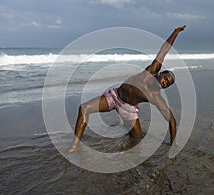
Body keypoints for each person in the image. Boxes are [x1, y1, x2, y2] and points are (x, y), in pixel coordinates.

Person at [68, 25, 186, 153]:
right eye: (165, 78)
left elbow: (171, 120)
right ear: (159, 73)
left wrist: (173, 145)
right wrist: (175, 32)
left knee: (136, 140)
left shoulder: (155, 96)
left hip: (128, 109)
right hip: (114, 96)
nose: (165, 82)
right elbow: (164, 50)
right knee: (84, 108)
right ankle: (75, 145)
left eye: (167, 84)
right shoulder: (151, 71)